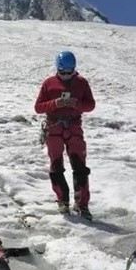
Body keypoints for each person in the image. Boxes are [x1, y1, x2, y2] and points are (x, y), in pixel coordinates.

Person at [34, 51, 96, 220]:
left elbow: (90, 105)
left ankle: (82, 204)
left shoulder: (82, 83)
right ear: (58, 68)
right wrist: (55, 103)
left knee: (80, 167)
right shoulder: (49, 83)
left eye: (70, 72)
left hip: (74, 127)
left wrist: (77, 104)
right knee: (56, 165)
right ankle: (62, 201)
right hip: (54, 128)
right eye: (63, 72)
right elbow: (38, 107)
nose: (66, 75)